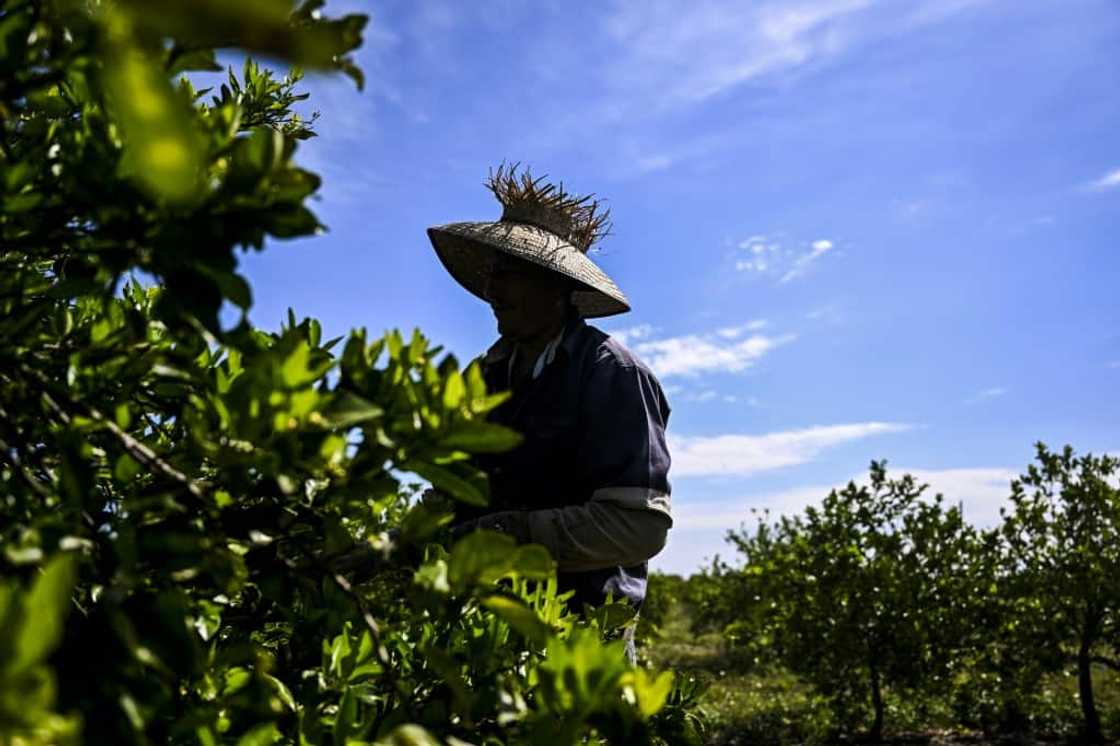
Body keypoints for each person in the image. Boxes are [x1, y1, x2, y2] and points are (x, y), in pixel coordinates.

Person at [426, 165, 672, 625]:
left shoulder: (612, 374)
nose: (490, 290)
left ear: (556, 286)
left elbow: (639, 527)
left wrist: (505, 536)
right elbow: (447, 493)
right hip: (479, 631)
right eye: (491, 274)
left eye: (508, 273)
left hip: (579, 634)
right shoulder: (482, 377)